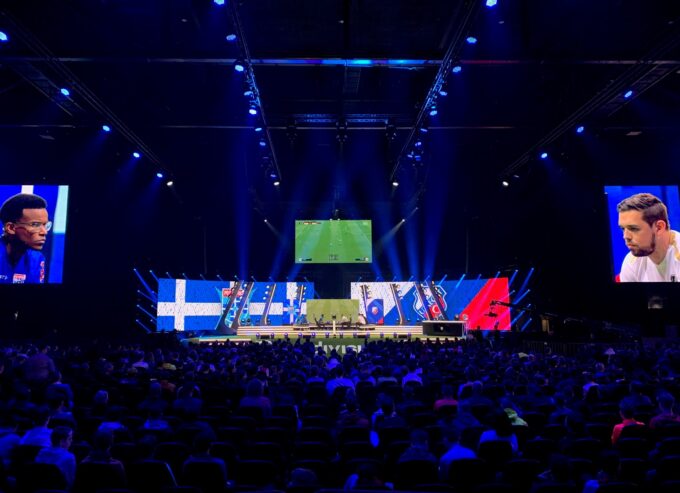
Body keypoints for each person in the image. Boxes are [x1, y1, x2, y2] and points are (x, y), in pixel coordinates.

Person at [617, 192, 680, 282]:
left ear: (659, 227)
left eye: (634, 228)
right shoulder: (631, 263)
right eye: (623, 229)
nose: (625, 236)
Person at [0, 193, 50, 284]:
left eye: (45, 225)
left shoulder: (36, 258)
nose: (44, 232)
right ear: (11, 228)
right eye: (35, 225)